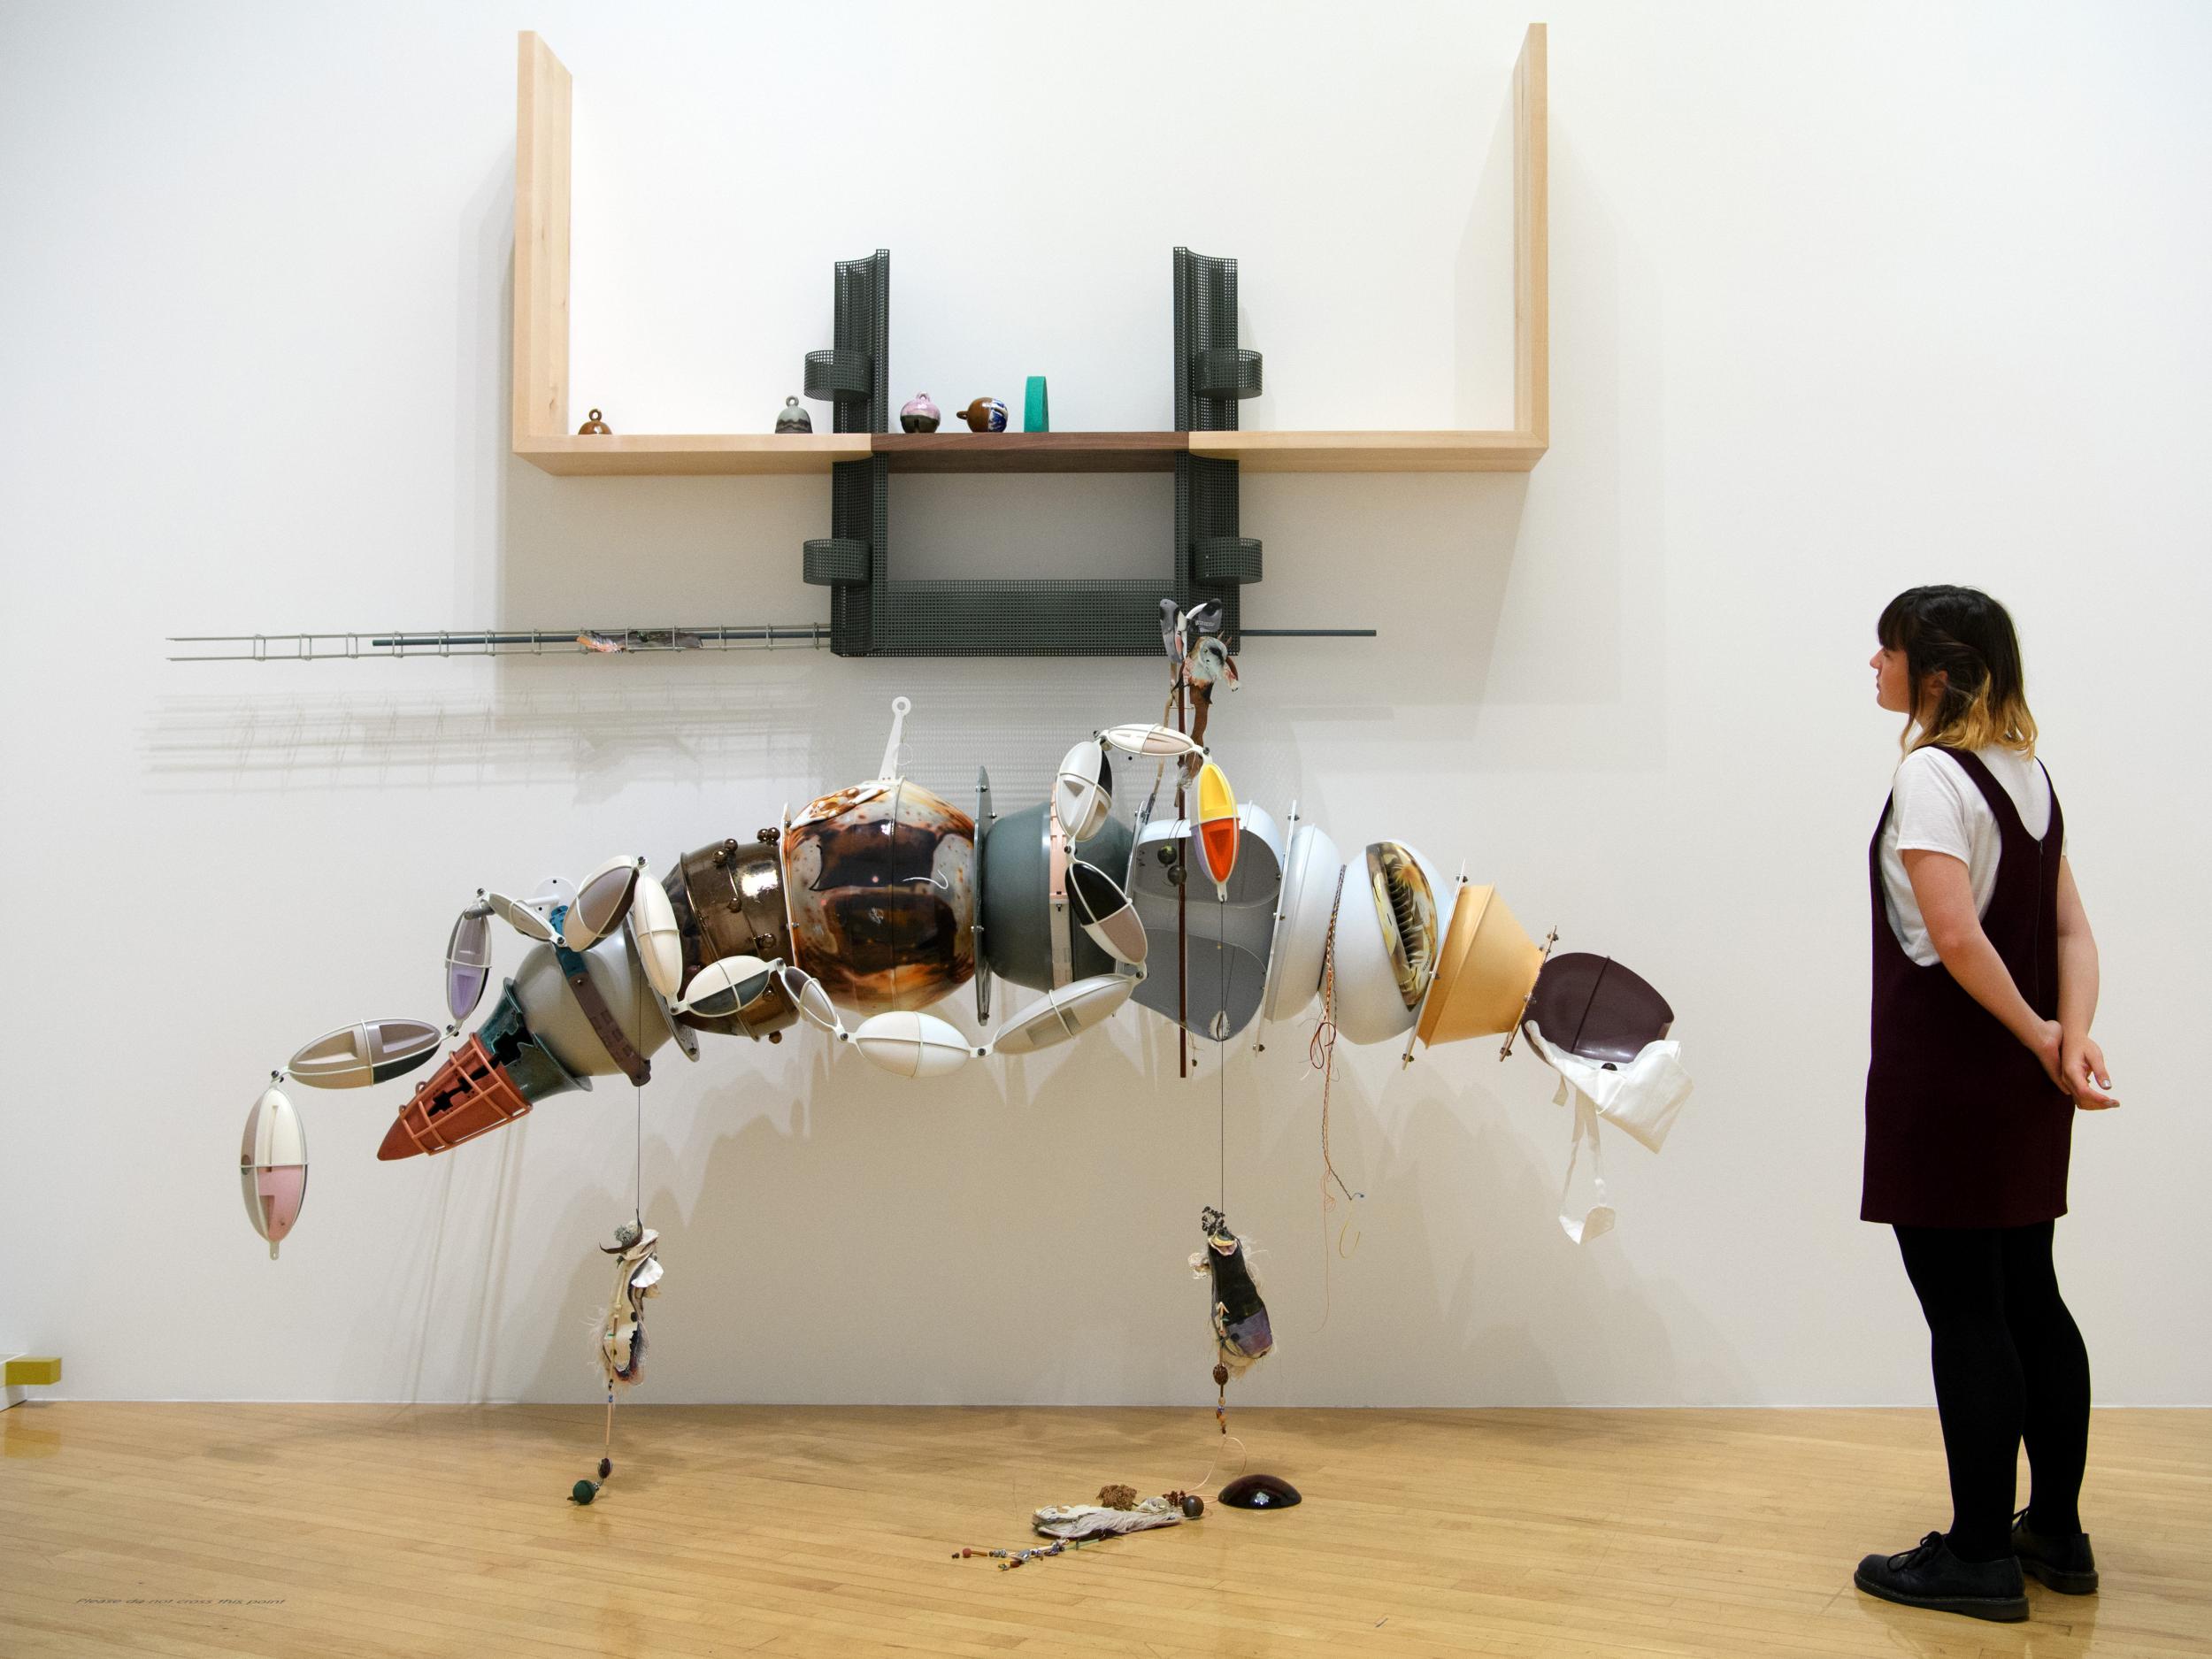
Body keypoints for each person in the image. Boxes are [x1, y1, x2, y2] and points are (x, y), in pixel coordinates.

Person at [1851, 585, 2117, 1624]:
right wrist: (2066, 1037)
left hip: (1949, 1077)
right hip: (2018, 1081)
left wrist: (2041, 1038)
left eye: (1888, 651)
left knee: (1965, 1312)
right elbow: (2070, 936)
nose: (1873, 665)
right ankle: (2053, 1530)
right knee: (2029, 1298)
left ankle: (1974, 1554)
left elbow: (1958, 939)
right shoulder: (2027, 775)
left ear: (1936, 670)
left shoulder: (1929, 775)